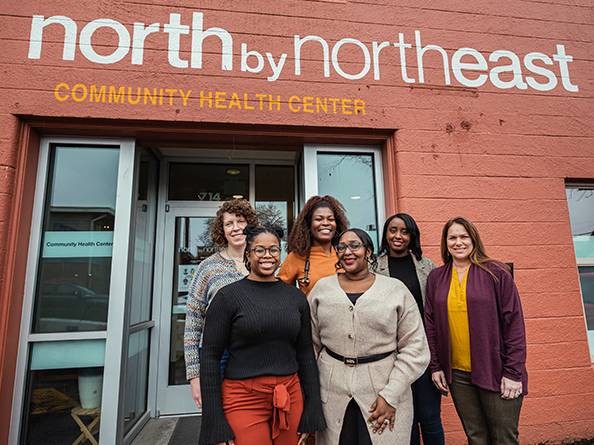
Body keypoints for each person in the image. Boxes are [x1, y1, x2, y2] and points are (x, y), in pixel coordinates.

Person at [199, 225, 327, 445]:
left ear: (280, 255)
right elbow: (210, 357)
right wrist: (214, 421)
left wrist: (312, 409)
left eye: (274, 250)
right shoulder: (227, 298)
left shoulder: (296, 298)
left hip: (290, 395)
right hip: (243, 398)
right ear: (248, 254)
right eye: (260, 250)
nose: (267, 255)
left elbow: (305, 353)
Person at [309, 228, 430, 445]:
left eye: (355, 245)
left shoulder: (395, 290)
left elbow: (416, 349)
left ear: (368, 251)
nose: (347, 251)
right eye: (342, 247)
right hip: (332, 394)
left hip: (384, 392)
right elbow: (309, 345)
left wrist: (390, 395)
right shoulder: (321, 289)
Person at [424, 217, 527, 445]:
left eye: (464, 237)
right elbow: (429, 325)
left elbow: (515, 325)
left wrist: (513, 373)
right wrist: (436, 366)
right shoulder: (436, 278)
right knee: (476, 437)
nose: (458, 242)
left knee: (504, 438)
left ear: (474, 240)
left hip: (496, 369)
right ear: (445, 242)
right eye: (452, 237)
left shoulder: (496, 272)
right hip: (458, 374)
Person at [376, 213, 444, 445]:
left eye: (405, 231)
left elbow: (436, 313)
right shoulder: (373, 266)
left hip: (422, 352)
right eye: (393, 230)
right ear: (385, 234)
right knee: (405, 418)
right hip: (390, 355)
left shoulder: (428, 267)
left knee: (430, 417)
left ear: (412, 236)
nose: (398, 236)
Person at [184, 199, 258, 409]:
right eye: (229, 223)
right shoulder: (207, 268)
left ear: (249, 225)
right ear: (222, 230)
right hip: (218, 355)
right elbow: (192, 324)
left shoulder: (262, 263)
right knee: (218, 417)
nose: (236, 228)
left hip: (255, 353)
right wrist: (194, 376)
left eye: (241, 221)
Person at [277, 195, 349, 297]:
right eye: (319, 219)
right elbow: (278, 293)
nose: (325, 223)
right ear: (308, 225)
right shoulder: (296, 257)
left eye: (330, 219)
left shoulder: (346, 254)